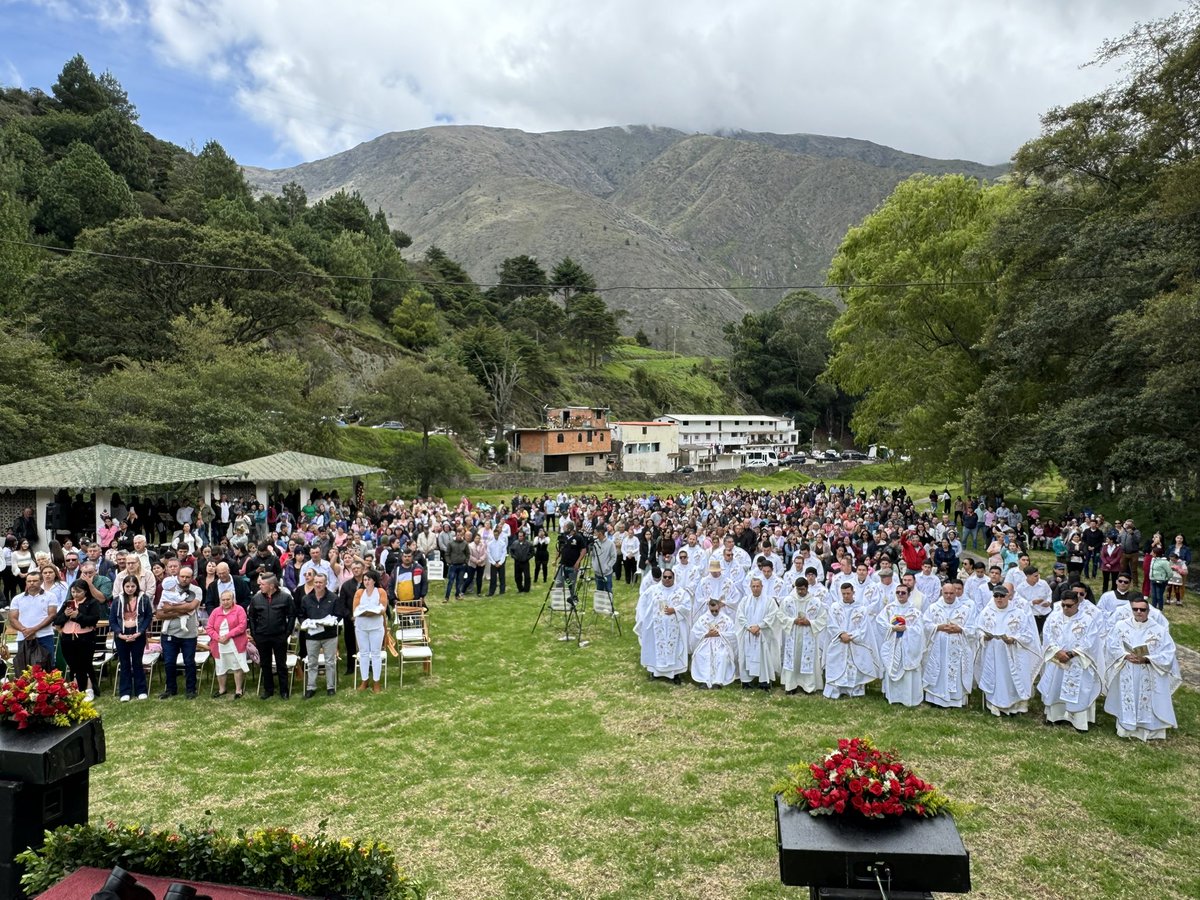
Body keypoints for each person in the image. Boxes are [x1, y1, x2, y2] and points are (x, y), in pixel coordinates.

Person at [1103, 599, 1181, 741]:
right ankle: (1126, 729)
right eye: (1135, 609)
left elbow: (1169, 653)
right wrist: (1125, 655)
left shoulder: (1158, 630)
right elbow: (1111, 645)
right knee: (1128, 697)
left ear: (1148, 611)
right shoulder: (1121, 626)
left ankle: (1149, 731)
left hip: (1149, 671)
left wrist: (1147, 659)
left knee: (1148, 700)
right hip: (1127, 669)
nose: (1138, 612)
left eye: (1142, 610)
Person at [1038, 589, 1106, 731]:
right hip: (1057, 660)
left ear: (1077, 604)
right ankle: (1055, 717)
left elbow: (1091, 642)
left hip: (1077, 661)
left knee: (1078, 690)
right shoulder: (1054, 617)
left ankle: (1078, 722)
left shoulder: (1087, 620)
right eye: (1063, 605)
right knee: (1055, 687)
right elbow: (1047, 636)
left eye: (1069, 606)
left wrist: (1071, 654)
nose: (1065, 609)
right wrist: (1057, 651)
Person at [974, 584, 1041, 717]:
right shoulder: (987, 612)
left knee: (1011, 678)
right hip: (992, 653)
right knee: (995, 677)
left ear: (1008, 596)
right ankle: (994, 705)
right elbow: (977, 629)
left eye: (1002, 596)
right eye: (996, 596)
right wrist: (983, 636)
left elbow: (1028, 635)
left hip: (1013, 653)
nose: (999, 599)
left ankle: (1014, 706)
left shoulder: (1018, 614)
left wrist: (1014, 639)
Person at [769, 577, 829, 695]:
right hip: (793, 634)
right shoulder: (788, 600)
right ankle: (791, 685)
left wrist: (810, 622)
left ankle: (808, 686)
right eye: (798, 589)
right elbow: (780, 615)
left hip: (809, 635)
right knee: (793, 659)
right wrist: (792, 621)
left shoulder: (815, 602)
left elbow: (823, 618)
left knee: (807, 659)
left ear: (807, 588)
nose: (800, 592)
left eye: (802, 589)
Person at [822, 582, 880, 699]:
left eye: (848, 593)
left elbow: (864, 628)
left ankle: (854, 691)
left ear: (853, 593)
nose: (846, 596)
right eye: (843, 594)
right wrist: (841, 634)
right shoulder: (835, 607)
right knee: (837, 663)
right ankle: (836, 690)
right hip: (839, 641)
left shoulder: (861, 609)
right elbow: (831, 624)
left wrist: (851, 636)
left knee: (854, 663)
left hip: (855, 642)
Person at [633, 566, 689, 684]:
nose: (667, 579)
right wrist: (643, 619)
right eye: (665, 577)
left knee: (675, 648)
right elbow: (643, 604)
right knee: (655, 647)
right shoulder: (652, 590)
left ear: (674, 578)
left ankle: (675, 674)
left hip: (675, 628)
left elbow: (687, 607)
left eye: (670, 577)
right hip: (656, 627)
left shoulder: (681, 592)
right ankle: (655, 672)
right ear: (662, 577)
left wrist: (675, 610)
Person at [923, 582, 974, 708]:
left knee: (955, 672)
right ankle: (935, 698)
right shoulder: (933, 607)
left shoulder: (965, 609)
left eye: (952, 593)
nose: (949, 596)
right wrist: (938, 627)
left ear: (956, 593)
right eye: (946, 593)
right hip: (938, 647)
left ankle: (955, 700)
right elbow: (925, 625)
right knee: (938, 670)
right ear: (942, 592)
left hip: (957, 647)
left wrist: (960, 629)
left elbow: (973, 629)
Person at [875, 581, 926, 707]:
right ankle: (893, 696)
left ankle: (908, 697)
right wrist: (892, 628)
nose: (900, 595)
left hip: (908, 647)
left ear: (909, 594)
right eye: (898, 592)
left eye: (903, 593)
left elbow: (920, 631)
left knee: (908, 672)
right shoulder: (889, 609)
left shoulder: (915, 612)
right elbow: (880, 623)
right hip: (893, 644)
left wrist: (907, 629)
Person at [155, 568, 202, 700]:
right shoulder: (169, 589)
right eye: (182, 576)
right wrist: (179, 612)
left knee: (189, 662)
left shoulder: (196, 590)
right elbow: (159, 613)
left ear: (191, 577)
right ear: (178, 576)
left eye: (187, 577)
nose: (184, 579)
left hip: (189, 634)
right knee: (169, 662)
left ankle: (191, 689)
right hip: (169, 633)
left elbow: (190, 607)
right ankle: (170, 689)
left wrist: (170, 609)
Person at [53, 580, 103, 700]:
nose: (75, 594)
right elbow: (56, 621)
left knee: (85, 664)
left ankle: (89, 688)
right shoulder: (67, 603)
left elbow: (93, 620)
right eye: (73, 591)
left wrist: (78, 616)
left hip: (85, 638)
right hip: (67, 637)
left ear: (85, 591)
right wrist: (65, 615)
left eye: (78, 592)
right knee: (73, 664)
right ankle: (77, 688)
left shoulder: (92, 603)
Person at [249, 572, 295, 700]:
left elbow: (291, 616)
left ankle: (284, 690)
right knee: (265, 663)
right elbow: (251, 617)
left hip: (279, 636)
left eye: (263, 584)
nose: (260, 587)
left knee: (281, 664)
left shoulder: (285, 598)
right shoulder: (256, 599)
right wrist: (255, 634)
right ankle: (268, 689)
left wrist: (287, 632)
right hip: (262, 636)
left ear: (271, 586)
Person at [110, 574, 153, 701]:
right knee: (124, 663)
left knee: (137, 662)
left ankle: (141, 689)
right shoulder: (118, 600)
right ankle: (125, 691)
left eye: (133, 586)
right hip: (121, 635)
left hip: (137, 634)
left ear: (137, 586)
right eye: (127, 586)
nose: (130, 589)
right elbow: (112, 619)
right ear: (123, 587)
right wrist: (119, 634)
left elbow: (148, 617)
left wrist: (140, 632)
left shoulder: (144, 599)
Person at [300, 572, 339, 698]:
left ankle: (330, 686)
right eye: (316, 582)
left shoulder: (333, 597)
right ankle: (311, 687)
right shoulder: (306, 598)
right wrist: (305, 623)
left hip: (329, 635)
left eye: (320, 582)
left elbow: (338, 615)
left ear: (326, 583)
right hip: (312, 636)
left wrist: (331, 621)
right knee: (312, 662)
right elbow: (301, 615)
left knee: (330, 662)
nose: (318, 584)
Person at [9, 571, 58, 671]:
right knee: (25, 667)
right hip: (24, 637)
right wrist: (24, 630)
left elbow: (52, 615)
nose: (31, 583)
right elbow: (13, 618)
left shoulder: (50, 596)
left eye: (35, 581)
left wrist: (33, 630)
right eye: (29, 581)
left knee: (48, 666)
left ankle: (49, 687)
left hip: (45, 636)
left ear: (41, 581)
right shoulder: (17, 598)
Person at [206, 589, 249, 698]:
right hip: (219, 644)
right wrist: (218, 637)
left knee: (236, 666)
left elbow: (242, 626)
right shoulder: (216, 611)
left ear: (233, 599)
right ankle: (222, 689)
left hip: (235, 643)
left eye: (228, 599)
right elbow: (209, 627)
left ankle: (238, 690)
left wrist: (228, 636)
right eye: (223, 600)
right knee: (220, 667)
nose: (225, 602)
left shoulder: (239, 610)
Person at [689, 596, 737, 688]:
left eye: (716, 610)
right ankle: (704, 681)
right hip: (706, 642)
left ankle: (717, 682)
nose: (714, 613)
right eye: (712, 611)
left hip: (721, 643)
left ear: (719, 608)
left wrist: (720, 634)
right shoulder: (703, 619)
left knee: (722, 655)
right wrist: (706, 634)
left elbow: (733, 634)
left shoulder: (726, 619)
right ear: (709, 608)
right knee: (701, 655)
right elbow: (695, 633)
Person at [353, 569, 387, 692]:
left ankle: (376, 682)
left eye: (369, 579)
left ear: (374, 580)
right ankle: (364, 680)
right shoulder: (359, 592)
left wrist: (368, 612)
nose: (366, 582)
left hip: (376, 627)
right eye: (365, 580)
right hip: (361, 628)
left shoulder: (380, 591)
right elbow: (355, 610)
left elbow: (382, 609)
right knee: (364, 654)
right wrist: (369, 611)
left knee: (376, 654)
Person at [486, 528, 508, 596]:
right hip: (493, 563)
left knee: (502, 577)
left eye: (497, 535)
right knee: (493, 578)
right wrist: (494, 563)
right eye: (494, 535)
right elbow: (489, 554)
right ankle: (491, 592)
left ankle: (502, 591)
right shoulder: (490, 544)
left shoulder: (502, 543)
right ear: (493, 534)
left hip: (500, 562)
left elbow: (504, 553)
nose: (496, 536)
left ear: (498, 534)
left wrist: (500, 562)